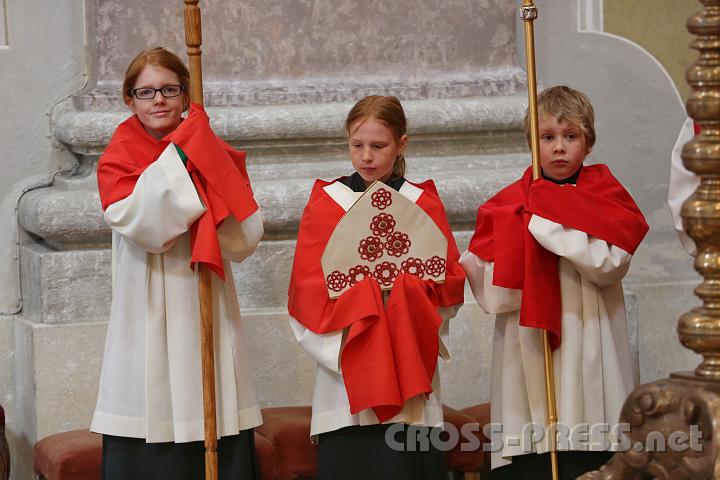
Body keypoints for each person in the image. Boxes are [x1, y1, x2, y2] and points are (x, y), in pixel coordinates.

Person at [92, 47, 264, 480]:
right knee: (150, 405)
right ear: (129, 99)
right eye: (146, 91)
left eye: (170, 89)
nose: (159, 100)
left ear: (187, 96)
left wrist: (203, 155)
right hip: (146, 305)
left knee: (215, 400)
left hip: (204, 295)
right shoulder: (120, 154)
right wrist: (182, 158)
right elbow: (139, 223)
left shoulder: (211, 150)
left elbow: (244, 236)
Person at [460, 86, 649, 479]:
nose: (558, 148)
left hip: (589, 335)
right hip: (527, 344)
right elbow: (494, 296)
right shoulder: (512, 203)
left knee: (588, 446)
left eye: (570, 136)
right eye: (547, 137)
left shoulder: (605, 196)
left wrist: (550, 226)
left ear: (589, 143)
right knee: (531, 444)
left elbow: (609, 264)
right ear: (532, 143)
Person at [287, 95, 466, 480]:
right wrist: (367, 296)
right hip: (345, 379)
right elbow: (307, 287)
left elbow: (447, 280)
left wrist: (402, 292)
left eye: (378, 146)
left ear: (401, 144)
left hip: (409, 368)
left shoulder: (421, 202)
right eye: (357, 145)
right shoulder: (328, 202)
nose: (366, 156)